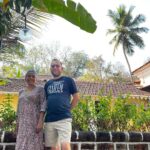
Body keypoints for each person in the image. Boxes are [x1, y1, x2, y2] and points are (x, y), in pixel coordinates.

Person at [44, 59, 79, 150]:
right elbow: (46, 101)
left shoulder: (68, 80)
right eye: (52, 66)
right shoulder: (47, 84)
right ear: (50, 68)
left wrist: (68, 110)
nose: (55, 67)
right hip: (50, 119)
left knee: (65, 146)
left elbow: (76, 97)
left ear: (61, 68)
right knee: (54, 147)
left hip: (64, 119)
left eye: (57, 65)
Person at [15, 70, 46, 150]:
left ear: (36, 79)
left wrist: (40, 121)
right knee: (21, 143)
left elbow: (43, 105)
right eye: (28, 76)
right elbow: (19, 108)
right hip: (23, 123)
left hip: (34, 122)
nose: (31, 78)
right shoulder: (21, 91)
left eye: (33, 76)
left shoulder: (40, 89)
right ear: (25, 78)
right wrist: (17, 123)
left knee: (34, 144)